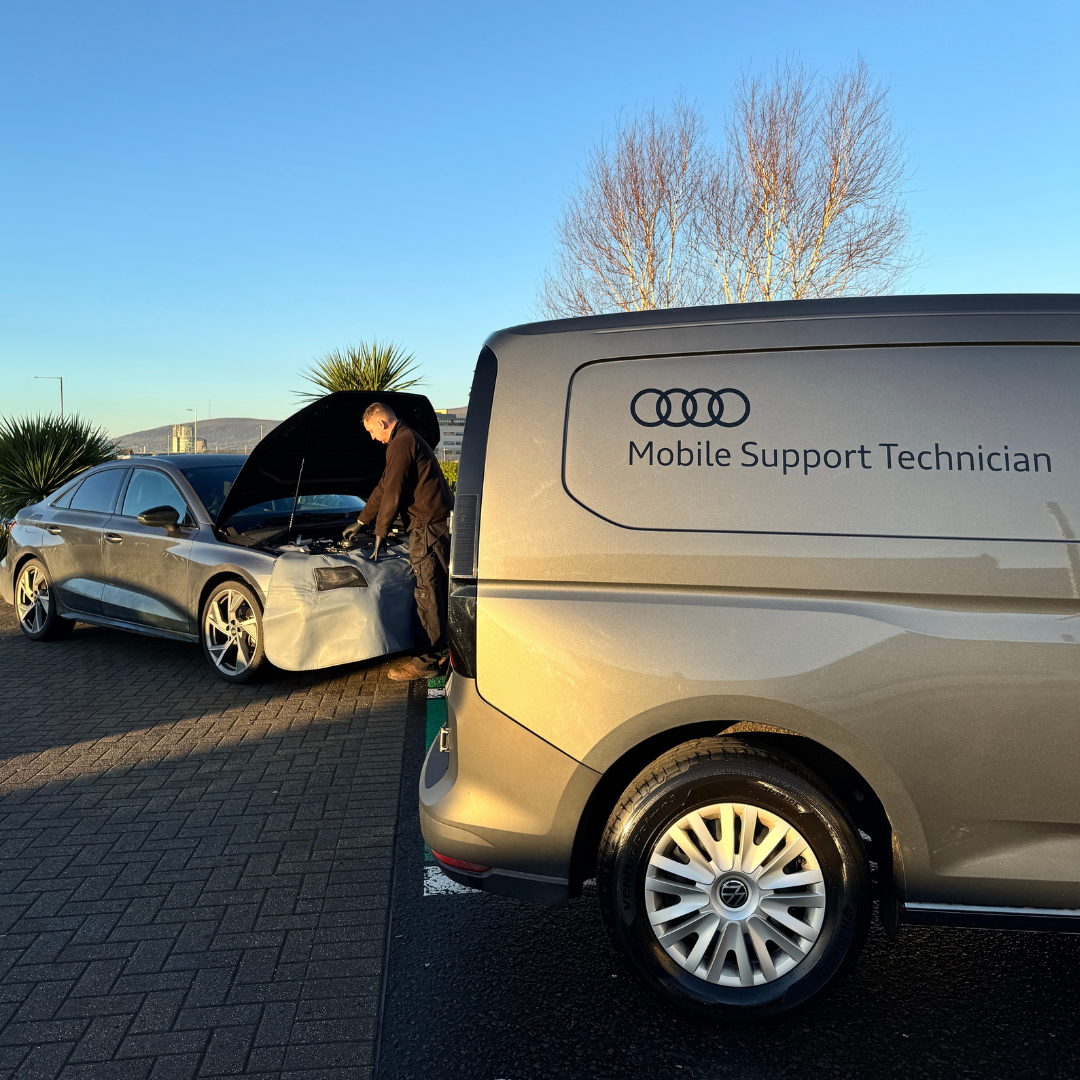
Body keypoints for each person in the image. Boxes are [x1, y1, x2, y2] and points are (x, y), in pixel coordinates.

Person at [344, 402, 454, 681]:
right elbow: (384, 486)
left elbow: (394, 492)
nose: (372, 438)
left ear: (382, 423)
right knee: (435, 590)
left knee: (428, 593)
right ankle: (441, 650)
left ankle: (427, 661)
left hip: (428, 529)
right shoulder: (407, 438)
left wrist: (380, 533)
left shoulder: (401, 442)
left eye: (371, 431)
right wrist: (361, 522)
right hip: (433, 526)